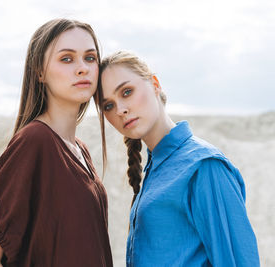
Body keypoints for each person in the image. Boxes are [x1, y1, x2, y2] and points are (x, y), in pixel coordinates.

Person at [0, 18, 113, 267]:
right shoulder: (35, 142)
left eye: (90, 58)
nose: (82, 68)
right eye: (67, 59)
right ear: (40, 72)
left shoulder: (81, 152)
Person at [95, 51, 260, 266]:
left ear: (155, 84)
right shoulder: (155, 169)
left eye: (127, 92)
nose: (121, 110)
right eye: (108, 105)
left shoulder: (204, 166)